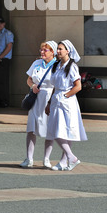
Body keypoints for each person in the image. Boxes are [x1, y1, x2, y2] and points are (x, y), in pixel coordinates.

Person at [45, 40, 87, 171]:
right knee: (55, 130)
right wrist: (49, 102)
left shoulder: (72, 66)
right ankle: (65, 160)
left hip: (66, 101)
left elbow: (78, 86)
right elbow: (55, 87)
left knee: (62, 131)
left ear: (67, 51)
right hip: (57, 99)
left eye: (60, 49)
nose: (58, 51)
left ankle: (70, 157)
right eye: (57, 49)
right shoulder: (57, 66)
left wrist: (65, 96)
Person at [20, 41, 58, 169]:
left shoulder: (57, 66)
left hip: (49, 98)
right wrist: (33, 86)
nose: (42, 52)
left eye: (45, 50)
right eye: (41, 50)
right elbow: (29, 79)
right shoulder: (36, 63)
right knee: (31, 129)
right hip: (36, 98)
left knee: (49, 129)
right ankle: (29, 158)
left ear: (52, 52)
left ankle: (46, 159)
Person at [0, 17, 14, 107]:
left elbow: (9, 47)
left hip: (3, 60)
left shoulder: (7, 34)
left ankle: (3, 101)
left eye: (1, 23)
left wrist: (0, 57)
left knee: (0, 81)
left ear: (4, 24)